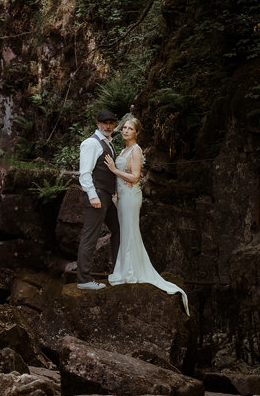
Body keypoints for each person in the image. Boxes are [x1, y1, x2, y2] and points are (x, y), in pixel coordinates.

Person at [105, 116, 189, 315]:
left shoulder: (136, 150)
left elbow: (135, 177)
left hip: (131, 197)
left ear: (137, 132)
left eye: (130, 128)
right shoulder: (124, 149)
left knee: (130, 231)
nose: (125, 131)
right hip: (123, 196)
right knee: (126, 231)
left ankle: (131, 272)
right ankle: (125, 270)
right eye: (124, 127)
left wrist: (114, 170)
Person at [76, 110, 120, 290]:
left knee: (119, 228)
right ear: (97, 123)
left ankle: (118, 271)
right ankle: (84, 280)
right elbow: (85, 173)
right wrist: (93, 196)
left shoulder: (108, 143)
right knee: (90, 236)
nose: (108, 126)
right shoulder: (91, 143)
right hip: (97, 195)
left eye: (111, 123)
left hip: (107, 197)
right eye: (105, 123)